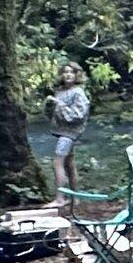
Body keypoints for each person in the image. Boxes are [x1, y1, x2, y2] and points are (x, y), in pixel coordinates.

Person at [46, 61, 92, 194]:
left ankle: (60, 198)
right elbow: (53, 115)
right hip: (61, 131)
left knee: (57, 162)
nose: (68, 75)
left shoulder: (78, 92)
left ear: (77, 75)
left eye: (71, 72)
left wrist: (59, 105)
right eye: (65, 72)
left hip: (70, 133)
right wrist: (50, 105)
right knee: (69, 164)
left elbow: (78, 115)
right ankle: (74, 198)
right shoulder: (59, 91)